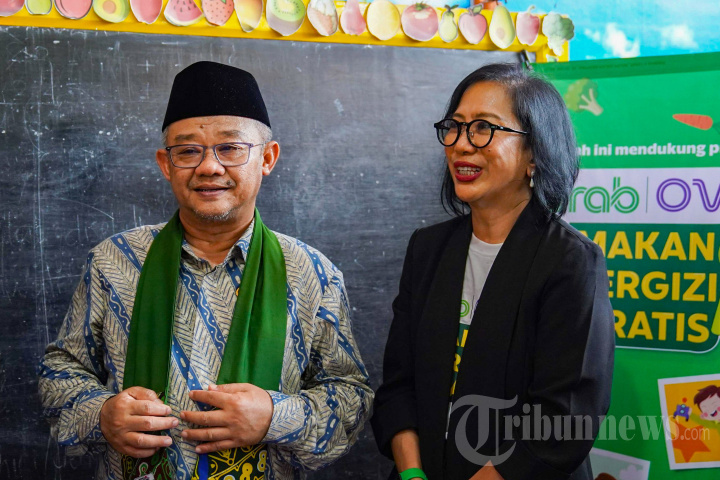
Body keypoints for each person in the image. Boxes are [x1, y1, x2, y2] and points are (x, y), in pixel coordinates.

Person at [38, 61, 373, 480]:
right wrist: (102, 414)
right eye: (187, 151)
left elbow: (351, 396)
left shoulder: (313, 274)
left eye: (230, 148)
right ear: (166, 164)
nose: (209, 167)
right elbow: (61, 371)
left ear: (267, 158)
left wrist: (276, 416)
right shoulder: (114, 261)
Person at [371, 63, 615, 480]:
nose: (461, 144)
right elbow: (398, 387)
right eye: (455, 126)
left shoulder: (570, 261)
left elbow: (565, 418)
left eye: (484, 128)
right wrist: (412, 474)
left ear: (534, 152)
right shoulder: (428, 249)